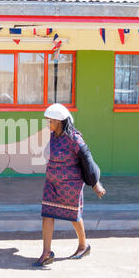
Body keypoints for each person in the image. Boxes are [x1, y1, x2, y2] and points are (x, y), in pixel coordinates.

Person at [33, 103, 106, 266]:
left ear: (59, 121)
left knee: (73, 215)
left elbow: (88, 160)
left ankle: (83, 245)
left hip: (70, 184)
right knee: (47, 213)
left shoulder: (74, 138)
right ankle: (46, 252)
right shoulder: (53, 135)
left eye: (50, 121)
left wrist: (95, 184)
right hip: (51, 183)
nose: (48, 124)